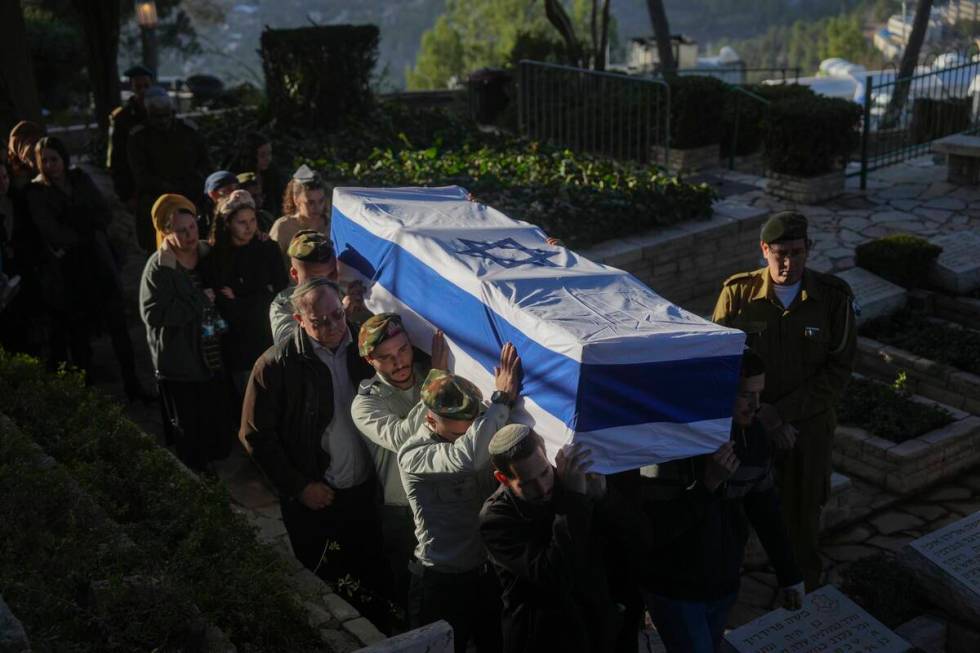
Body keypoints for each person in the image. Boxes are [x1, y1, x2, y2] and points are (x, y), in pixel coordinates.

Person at [712, 210, 856, 591]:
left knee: (804, 511)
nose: (788, 264)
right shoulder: (739, 294)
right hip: (748, 425)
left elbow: (837, 373)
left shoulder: (832, 299)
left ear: (809, 249)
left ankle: (801, 588)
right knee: (736, 509)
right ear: (764, 250)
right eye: (780, 254)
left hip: (805, 430)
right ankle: (728, 586)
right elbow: (721, 365)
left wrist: (783, 414)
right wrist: (764, 419)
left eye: (797, 252)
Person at [239, 278, 392, 622]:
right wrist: (298, 486)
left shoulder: (365, 346)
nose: (334, 326)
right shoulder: (276, 366)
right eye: (320, 322)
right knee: (331, 590)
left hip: (366, 492)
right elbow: (255, 436)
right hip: (316, 499)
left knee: (376, 580)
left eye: (337, 315)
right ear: (298, 321)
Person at [480, 426, 650, 653]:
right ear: (502, 478)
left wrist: (604, 498)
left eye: (544, 473)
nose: (542, 488)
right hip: (544, 638)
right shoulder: (496, 518)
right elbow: (554, 575)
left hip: (598, 629)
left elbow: (640, 538)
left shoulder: (566, 483)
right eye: (527, 483)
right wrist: (575, 501)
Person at [397, 348, 521, 653]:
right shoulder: (413, 455)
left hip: (486, 576)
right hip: (440, 584)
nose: (466, 435)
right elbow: (468, 457)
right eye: (456, 433)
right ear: (430, 419)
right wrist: (501, 399)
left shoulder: (478, 424)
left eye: (471, 427)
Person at [25, 136, 153, 401]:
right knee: (79, 334)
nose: (50, 166)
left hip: (98, 262)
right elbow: (52, 230)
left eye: (54, 159)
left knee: (118, 328)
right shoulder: (37, 192)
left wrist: (81, 223)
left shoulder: (80, 179)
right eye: (45, 161)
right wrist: (82, 225)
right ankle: (89, 393)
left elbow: (103, 213)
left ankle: (133, 385)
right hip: (69, 271)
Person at [351, 313, 449, 607]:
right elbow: (403, 438)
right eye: (387, 357)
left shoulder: (427, 373)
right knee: (413, 594)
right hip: (402, 513)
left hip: (445, 500)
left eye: (403, 349)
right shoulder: (366, 403)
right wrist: (437, 382)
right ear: (370, 360)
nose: (399, 362)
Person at [139, 193, 235, 471]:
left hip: (212, 355)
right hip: (182, 363)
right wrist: (198, 302)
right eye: (181, 230)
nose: (190, 234)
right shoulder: (160, 268)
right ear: (167, 231)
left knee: (214, 421)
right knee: (190, 429)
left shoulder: (206, 253)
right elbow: (153, 314)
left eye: (192, 226)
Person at [725, 348, 805, 610]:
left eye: (759, 395)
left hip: (724, 574)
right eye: (746, 395)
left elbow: (767, 511)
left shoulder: (757, 439)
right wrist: (709, 484)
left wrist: (790, 577)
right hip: (678, 584)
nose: (756, 405)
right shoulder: (692, 444)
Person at [201, 189, 287, 398]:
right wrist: (257, 293)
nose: (249, 227)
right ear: (228, 223)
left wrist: (240, 296)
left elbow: (280, 291)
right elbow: (223, 302)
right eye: (242, 222)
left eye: (252, 220)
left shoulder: (268, 248)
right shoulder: (216, 258)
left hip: (269, 335)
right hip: (238, 343)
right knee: (248, 398)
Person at [128, 87, 212, 253]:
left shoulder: (188, 132)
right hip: (158, 202)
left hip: (191, 199)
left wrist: (194, 183)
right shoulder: (139, 137)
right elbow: (141, 174)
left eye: (166, 115)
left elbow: (205, 163)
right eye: (157, 116)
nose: (163, 120)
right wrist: (167, 188)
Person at [268, 229, 366, 347]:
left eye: (332, 274)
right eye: (316, 279)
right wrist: (341, 315)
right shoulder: (284, 305)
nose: (326, 283)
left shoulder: (347, 291)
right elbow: (287, 347)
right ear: (295, 274)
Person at [107, 64, 152, 207]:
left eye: (146, 86)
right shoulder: (121, 117)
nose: (143, 91)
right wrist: (125, 194)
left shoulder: (160, 112)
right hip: (135, 187)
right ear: (132, 88)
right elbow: (115, 158)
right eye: (138, 87)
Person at [269, 165, 329, 267]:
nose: (317, 207)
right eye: (310, 202)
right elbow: (270, 263)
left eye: (321, 201)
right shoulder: (283, 227)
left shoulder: (332, 225)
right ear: (296, 199)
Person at [231, 132, 283, 216]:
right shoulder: (236, 178)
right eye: (262, 155)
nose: (268, 159)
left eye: (269, 153)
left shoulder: (272, 173)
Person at [200, 170, 238, 237]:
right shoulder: (204, 220)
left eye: (236, 189)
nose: (234, 193)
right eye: (228, 189)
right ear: (213, 194)